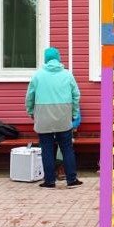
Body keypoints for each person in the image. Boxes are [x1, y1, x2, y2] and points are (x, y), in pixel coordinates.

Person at [25, 47, 82, 189]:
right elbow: (76, 95)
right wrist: (74, 113)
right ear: (58, 58)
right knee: (67, 148)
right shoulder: (67, 75)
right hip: (63, 116)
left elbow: (30, 96)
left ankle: (49, 181)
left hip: (43, 117)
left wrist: (31, 112)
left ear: (46, 59)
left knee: (47, 149)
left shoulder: (37, 76)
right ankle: (71, 180)